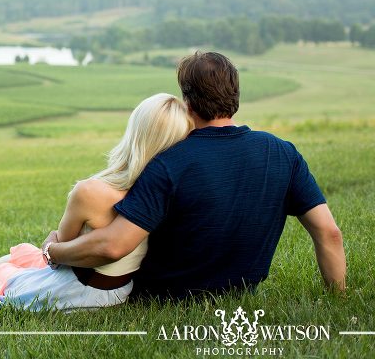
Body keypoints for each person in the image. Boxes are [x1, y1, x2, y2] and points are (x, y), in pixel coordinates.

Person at [42, 51, 346, 299]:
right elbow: (329, 233)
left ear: (187, 103)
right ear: (235, 94)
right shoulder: (283, 152)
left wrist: (53, 249)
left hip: (165, 297)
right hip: (239, 294)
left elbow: (112, 246)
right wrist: (339, 299)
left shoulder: (169, 163)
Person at [0, 93, 193, 311]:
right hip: (121, 288)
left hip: (82, 291)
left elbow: (59, 252)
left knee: (5, 277)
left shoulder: (91, 191)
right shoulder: (172, 193)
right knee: (26, 256)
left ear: (134, 133)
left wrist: (52, 241)